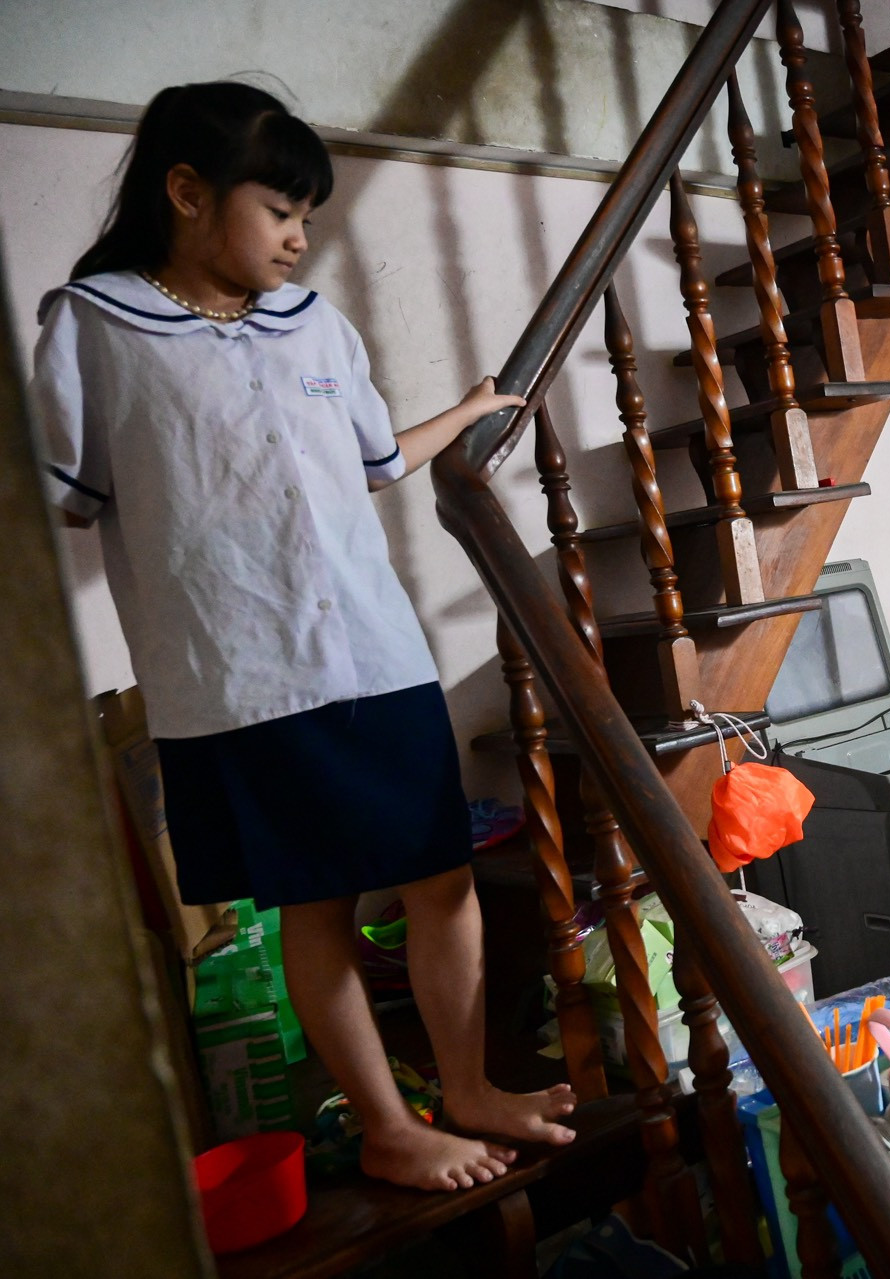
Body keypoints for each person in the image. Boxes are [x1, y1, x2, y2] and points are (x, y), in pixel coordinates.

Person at [31, 81, 575, 1191]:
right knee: (314, 903)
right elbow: (64, 497)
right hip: (237, 679)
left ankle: (465, 1086)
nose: (297, 235)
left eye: (306, 218)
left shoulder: (315, 321)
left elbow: (373, 463)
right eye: (280, 210)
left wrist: (468, 411)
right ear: (187, 192)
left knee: (441, 881)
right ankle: (388, 1122)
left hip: (376, 653)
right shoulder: (92, 325)